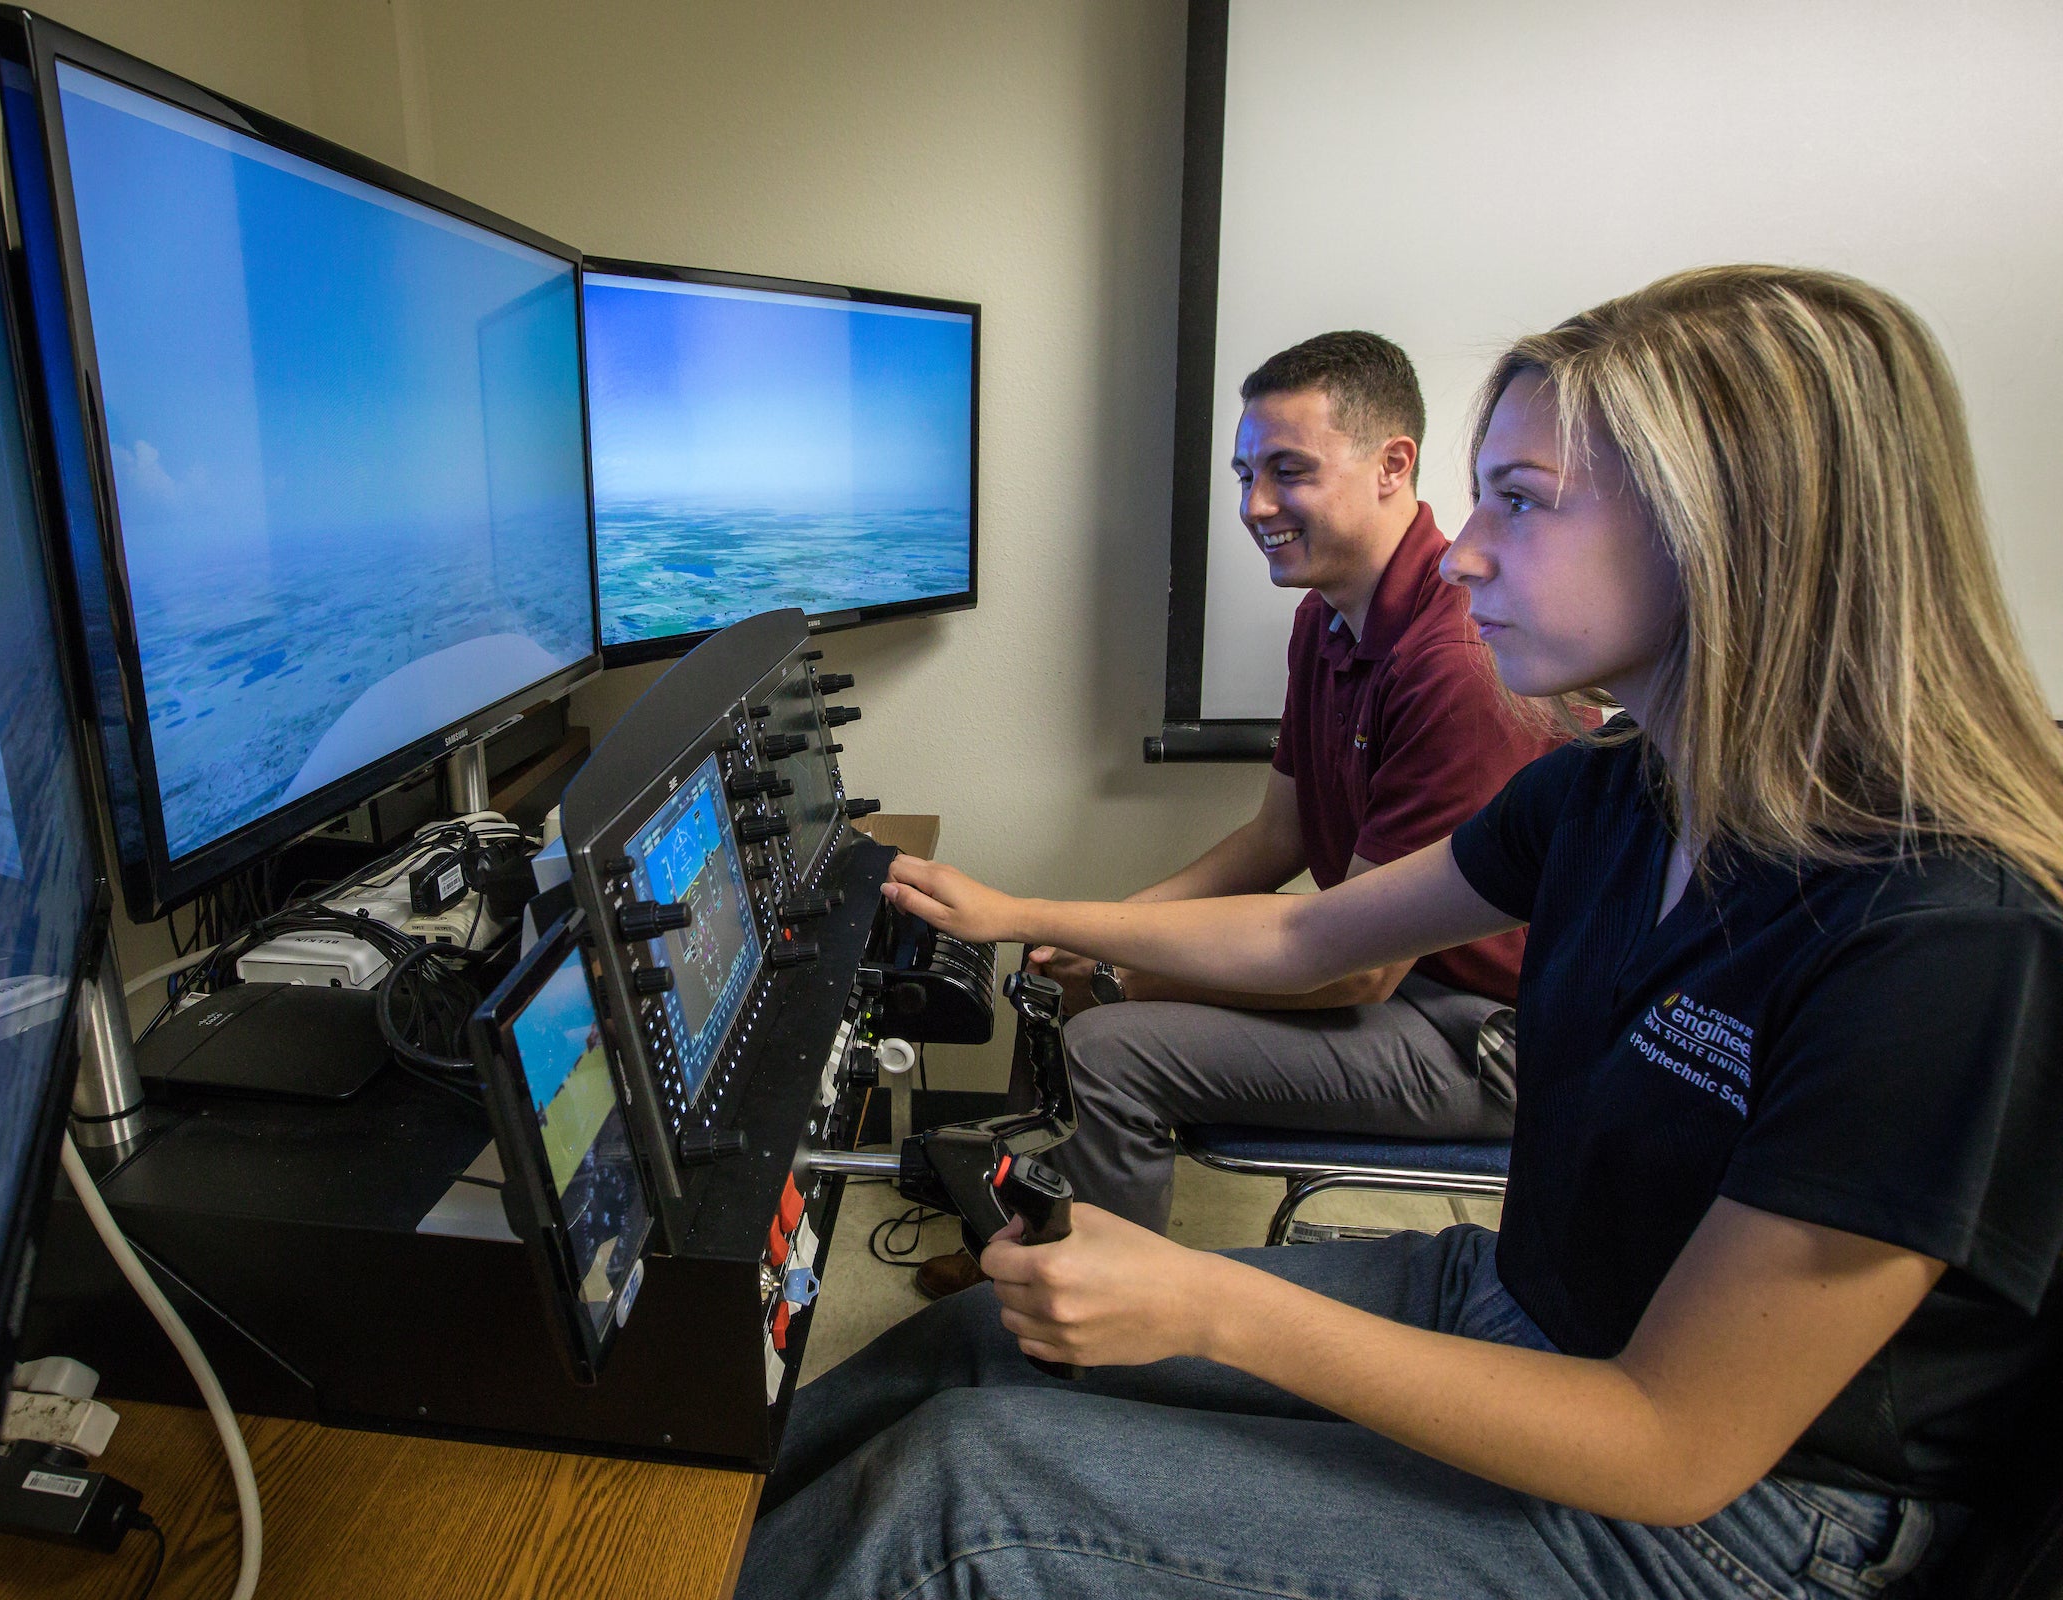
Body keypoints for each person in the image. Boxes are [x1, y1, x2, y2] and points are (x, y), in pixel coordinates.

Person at [738, 265, 2063, 1600]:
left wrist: (1209, 1302)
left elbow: (1676, 1444)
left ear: (1737, 528)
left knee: (957, 1499)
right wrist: (1018, 912)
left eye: (1525, 502)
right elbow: (1304, 941)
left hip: (1744, 1514)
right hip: (1537, 1305)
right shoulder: (1610, 792)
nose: (1470, 545)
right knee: (984, 1340)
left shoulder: (1946, 942)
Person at [915, 333, 1558, 1300]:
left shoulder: (1454, 663)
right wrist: (1103, 942)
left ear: (1394, 466)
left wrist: (1118, 964)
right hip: (1388, 973)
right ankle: (1036, 1240)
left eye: (1288, 471)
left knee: (1110, 1040)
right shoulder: (1326, 618)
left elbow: (1357, 967)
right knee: (1070, 986)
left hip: (1483, 1029)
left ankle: (1103, 1322)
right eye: (1246, 473)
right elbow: (1276, 841)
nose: (1256, 505)